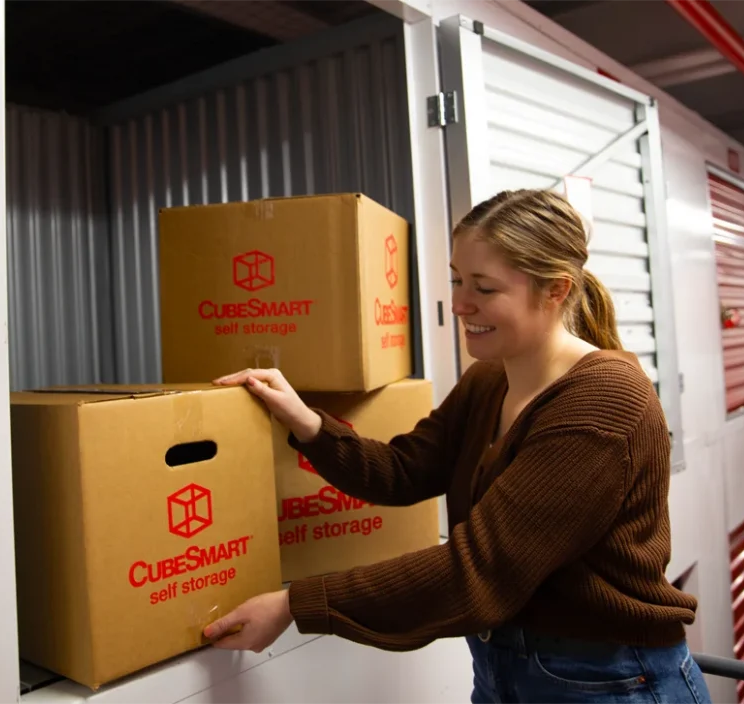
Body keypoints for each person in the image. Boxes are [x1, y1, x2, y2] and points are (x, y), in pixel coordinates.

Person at [204, 188, 712, 703]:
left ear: (556, 290)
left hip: (608, 681)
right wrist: (307, 421)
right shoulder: (490, 380)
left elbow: (478, 570)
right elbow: (402, 471)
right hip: (503, 670)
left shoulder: (603, 401)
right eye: (457, 279)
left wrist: (296, 606)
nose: (461, 303)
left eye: (485, 288)